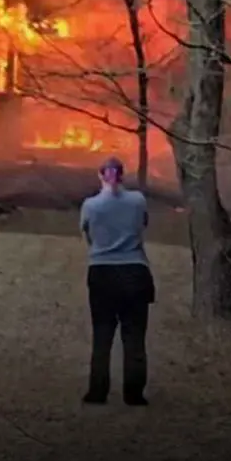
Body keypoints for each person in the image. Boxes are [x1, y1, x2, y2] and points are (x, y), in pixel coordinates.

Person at [79, 156, 154, 407]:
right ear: (122, 175)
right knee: (134, 336)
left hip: (102, 272)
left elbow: (88, 236)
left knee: (102, 334)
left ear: (100, 175)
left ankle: (97, 392)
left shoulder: (90, 205)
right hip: (135, 271)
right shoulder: (138, 200)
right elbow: (143, 226)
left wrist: (103, 248)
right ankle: (134, 394)